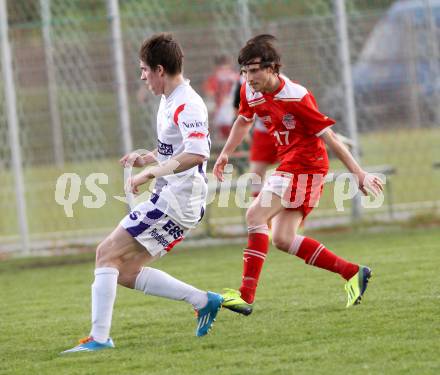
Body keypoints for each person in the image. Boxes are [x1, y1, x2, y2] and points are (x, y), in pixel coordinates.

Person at [62, 33, 223, 353]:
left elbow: (197, 153)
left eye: (144, 70)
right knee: (123, 270)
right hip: (176, 197)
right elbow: (175, 147)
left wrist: (152, 172)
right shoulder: (171, 100)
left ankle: (99, 339)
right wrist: (147, 158)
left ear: (160, 70)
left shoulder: (188, 103)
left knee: (105, 253)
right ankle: (203, 301)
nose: (142, 76)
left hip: (177, 199)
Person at [213, 34, 383, 315]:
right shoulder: (249, 90)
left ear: (272, 68)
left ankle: (245, 296)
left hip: (307, 165)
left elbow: (330, 137)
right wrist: (226, 153)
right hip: (290, 164)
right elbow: (244, 120)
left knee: (255, 216)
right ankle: (353, 272)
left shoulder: (296, 96)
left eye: (254, 70)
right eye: (244, 71)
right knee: (282, 238)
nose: (248, 77)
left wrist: (359, 173)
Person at [232, 77, 278, 199]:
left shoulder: (282, 82)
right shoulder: (243, 82)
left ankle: (293, 211)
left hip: (284, 130)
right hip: (263, 132)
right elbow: (237, 107)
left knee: (292, 172)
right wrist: (244, 131)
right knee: (255, 175)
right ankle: (260, 207)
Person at [203, 55, 239, 141]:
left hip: (222, 107)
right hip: (234, 107)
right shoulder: (235, 75)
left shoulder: (215, 76)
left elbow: (209, 93)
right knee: (236, 132)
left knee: (224, 135)